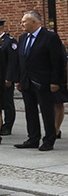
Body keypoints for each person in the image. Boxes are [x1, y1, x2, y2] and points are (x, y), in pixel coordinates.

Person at [15, 10, 63, 151]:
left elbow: (57, 61)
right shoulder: (23, 38)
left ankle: (49, 139)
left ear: (34, 22)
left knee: (46, 110)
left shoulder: (49, 37)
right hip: (26, 81)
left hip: (43, 81)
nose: (22, 24)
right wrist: (19, 79)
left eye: (24, 21)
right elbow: (21, 60)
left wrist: (55, 81)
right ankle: (33, 138)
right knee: (30, 111)